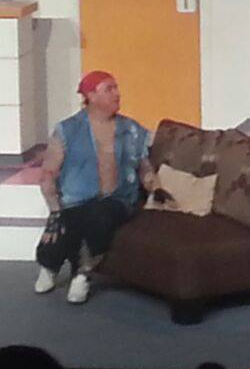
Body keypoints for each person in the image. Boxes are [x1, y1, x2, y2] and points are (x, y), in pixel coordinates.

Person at [33, 71, 157, 304]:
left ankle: (83, 273)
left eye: (116, 88)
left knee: (100, 214)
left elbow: (145, 168)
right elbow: (48, 174)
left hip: (118, 200)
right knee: (69, 218)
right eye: (109, 89)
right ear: (91, 96)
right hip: (77, 199)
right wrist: (55, 213)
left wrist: (155, 187)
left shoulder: (131, 129)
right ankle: (49, 265)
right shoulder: (67, 129)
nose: (117, 94)